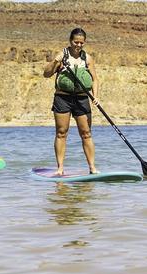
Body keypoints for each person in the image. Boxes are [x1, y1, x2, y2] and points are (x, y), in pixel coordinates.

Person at [43, 28, 100, 175]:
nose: (78, 45)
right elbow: (46, 74)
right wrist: (56, 60)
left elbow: (94, 79)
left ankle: (92, 168)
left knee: (86, 133)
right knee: (61, 132)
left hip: (82, 98)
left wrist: (95, 96)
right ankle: (60, 168)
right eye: (76, 42)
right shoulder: (62, 56)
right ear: (70, 41)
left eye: (81, 42)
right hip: (63, 98)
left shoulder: (87, 58)